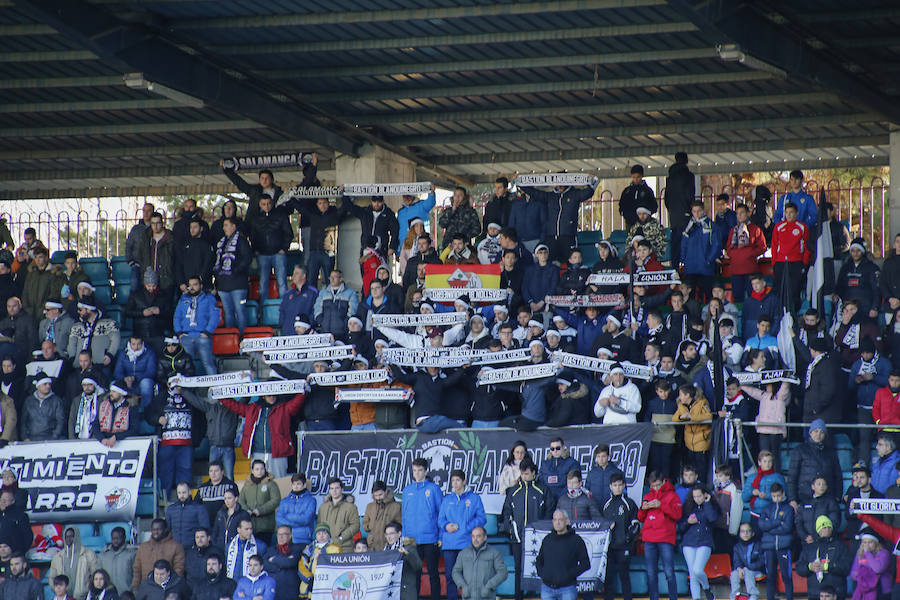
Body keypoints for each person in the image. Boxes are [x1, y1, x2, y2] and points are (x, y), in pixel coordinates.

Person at [219, 387, 304, 478]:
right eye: (269, 395)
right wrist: (218, 395)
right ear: (263, 396)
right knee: (257, 483)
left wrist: (303, 391)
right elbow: (234, 405)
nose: (272, 397)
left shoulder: (283, 408)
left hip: (278, 454)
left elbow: (296, 403)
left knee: (279, 483)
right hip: (257, 453)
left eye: (274, 395)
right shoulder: (252, 408)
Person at [500, 458, 553, 600]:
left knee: (541, 567)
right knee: (519, 568)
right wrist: (509, 527)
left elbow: (549, 511)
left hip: (538, 538)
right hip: (518, 537)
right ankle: (519, 596)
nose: (524, 476)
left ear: (534, 473)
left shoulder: (543, 489)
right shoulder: (513, 491)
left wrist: (544, 530)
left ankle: (542, 596)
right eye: (522, 474)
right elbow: (506, 512)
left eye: (527, 474)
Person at [437, 469, 486, 600]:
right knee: (450, 576)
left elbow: (482, 518)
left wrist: (466, 527)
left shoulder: (474, 498)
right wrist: (446, 526)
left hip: (466, 543)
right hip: (449, 544)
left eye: (457, 480)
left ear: (464, 481)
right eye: (453, 480)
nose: (455, 483)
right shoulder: (447, 499)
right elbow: (440, 520)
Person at [401, 457, 443, 600]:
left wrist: (440, 536)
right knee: (414, 575)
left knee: (433, 574)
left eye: (420, 470)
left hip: (430, 538)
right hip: (412, 540)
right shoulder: (407, 490)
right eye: (414, 470)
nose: (417, 473)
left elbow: (441, 514)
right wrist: (405, 537)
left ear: (426, 471)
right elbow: (404, 516)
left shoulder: (434, 489)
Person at [146, 383, 198, 498]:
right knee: (165, 473)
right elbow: (148, 414)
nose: (177, 387)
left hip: (186, 444)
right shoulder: (161, 397)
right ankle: (164, 500)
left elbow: (200, 415)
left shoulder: (190, 396)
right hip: (166, 444)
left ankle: (185, 502)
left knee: (185, 472)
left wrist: (196, 440)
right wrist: (157, 419)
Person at [638, 471, 683, 600]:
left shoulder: (673, 495)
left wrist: (661, 505)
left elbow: (678, 514)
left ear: (664, 482)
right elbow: (640, 518)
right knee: (651, 573)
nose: (656, 488)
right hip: (649, 539)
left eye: (658, 485)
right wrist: (643, 508)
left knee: (669, 572)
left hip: (665, 538)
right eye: (653, 486)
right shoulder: (647, 495)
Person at [535, 509, 590, 600]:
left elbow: (586, 563)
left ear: (567, 521)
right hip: (547, 589)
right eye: (555, 520)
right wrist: (543, 574)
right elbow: (539, 560)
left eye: (560, 519)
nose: (557, 523)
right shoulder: (547, 539)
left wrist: (569, 575)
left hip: (567, 589)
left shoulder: (576, 540)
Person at [600, 472, 638, 600]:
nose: (617, 487)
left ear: (624, 486)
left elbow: (636, 525)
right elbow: (600, 525)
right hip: (609, 547)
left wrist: (628, 538)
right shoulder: (605, 504)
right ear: (610, 486)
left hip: (624, 546)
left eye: (620, 485)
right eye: (615, 485)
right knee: (608, 576)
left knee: (624, 575)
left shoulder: (629, 503)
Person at [788, 419, 843, 507]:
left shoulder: (831, 452)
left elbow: (838, 476)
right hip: (804, 497)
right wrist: (792, 499)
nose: (818, 435)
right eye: (816, 431)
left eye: (821, 432)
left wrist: (837, 497)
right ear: (810, 433)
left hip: (827, 498)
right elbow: (792, 476)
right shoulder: (800, 450)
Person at [795, 516, 851, 600]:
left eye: (829, 527)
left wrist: (827, 566)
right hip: (815, 593)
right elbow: (799, 568)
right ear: (818, 530)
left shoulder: (840, 546)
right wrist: (810, 567)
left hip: (836, 592)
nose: (827, 530)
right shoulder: (810, 547)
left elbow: (846, 567)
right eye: (824, 527)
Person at [212, 216, 252, 333]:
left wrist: (236, 270)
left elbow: (247, 258)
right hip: (223, 285)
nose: (224, 228)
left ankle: (243, 339)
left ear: (233, 226)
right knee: (228, 312)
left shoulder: (242, 240)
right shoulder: (221, 242)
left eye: (226, 225)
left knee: (240, 310)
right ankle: (232, 338)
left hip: (239, 284)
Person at [173, 276, 218, 376]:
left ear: (201, 286)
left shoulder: (209, 298)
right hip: (186, 336)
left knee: (208, 363)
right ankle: (189, 390)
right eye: (190, 285)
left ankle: (215, 389)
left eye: (195, 284)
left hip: (202, 335)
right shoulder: (183, 298)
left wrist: (207, 332)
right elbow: (177, 316)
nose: (192, 287)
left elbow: (215, 316)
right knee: (187, 365)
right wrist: (179, 333)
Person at [758, 483, 794, 600]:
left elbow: (788, 527)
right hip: (769, 547)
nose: (776, 498)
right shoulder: (767, 508)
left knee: (786, 576)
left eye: (778, 496)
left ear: (783, 494)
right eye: (774, 496)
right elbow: (762, 525)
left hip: (783, 546)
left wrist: (770, 526)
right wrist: (779, 521)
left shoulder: (788, 509)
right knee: (770, 576)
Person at [451, 525, 508, 600]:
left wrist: (489, 586)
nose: (475, 539)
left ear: (485, 537)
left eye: (478, 536)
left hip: (486, 596)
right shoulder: (463, 553)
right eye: (473, 536)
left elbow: (503, 572)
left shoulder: (494, 553)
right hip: (468, 597)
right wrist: (463, 586)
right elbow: (455, 572)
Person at [772, 202, 810, 314]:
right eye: (787, 212)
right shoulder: (779, 227)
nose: (789, 215)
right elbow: (774, 246)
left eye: (791, 212)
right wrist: (774, 263)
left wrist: (804, 262)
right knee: (780, 290)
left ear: (797, 213)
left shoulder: (802, 228)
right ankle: (781, 315)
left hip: (796, 263)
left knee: (795, 291)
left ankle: (795, 314)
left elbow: (807, 247)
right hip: (781, 262)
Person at [679, 200, 721, 302]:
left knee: (707, 295)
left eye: (699, 211)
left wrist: (709, 259)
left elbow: (717, 244)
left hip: (705, 267)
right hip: (690, 267)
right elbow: (683, 244)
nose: (697, 214)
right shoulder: (688, 225)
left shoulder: (711, 225)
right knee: (690, 296)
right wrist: (683, 259)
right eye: (694, 211)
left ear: (703, 210)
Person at [125, 269, 173, 357]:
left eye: (154, 286)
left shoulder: (164, 295)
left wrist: (160, 312)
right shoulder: (135, 295)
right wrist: (142, 313)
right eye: (149, 286)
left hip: (158, 334)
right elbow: (127, 312)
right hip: (141, 333)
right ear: (144, 284)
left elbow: (170, 313)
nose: (151, 288)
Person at [67, 299, 120, 374]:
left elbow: (116, 340)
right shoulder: (76, 326)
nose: (78, 312)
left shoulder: (108, 323)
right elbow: (72, 343)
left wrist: (110, 355)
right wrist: (72, 358)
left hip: (101, 363)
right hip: (80, 365)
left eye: (80, 309)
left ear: (88, 310)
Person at [132, 520, 185, 591]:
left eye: (159, 529)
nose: (156, 532)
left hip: (167, 590)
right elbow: (137, 569)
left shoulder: (176, 546)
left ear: (165, 529)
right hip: (147, 590)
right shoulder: (143, 547)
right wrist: (135, 587)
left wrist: (172, 589)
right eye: (153, 529)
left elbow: (179, 570)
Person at [48, 526, 99, 599]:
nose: (68, 539)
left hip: (83, 597)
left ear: (76, 536)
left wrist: (86, 591)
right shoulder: (58, 557)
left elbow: (96, 575)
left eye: (71, 536)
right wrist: (59, 592)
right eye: (66, 536)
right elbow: (52, 578)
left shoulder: (88, 554)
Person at [835, 237, 881, 318]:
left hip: (866, 309)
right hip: (848, 309)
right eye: (853, 251)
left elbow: (876, 290)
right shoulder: (845, 268)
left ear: (863, 252)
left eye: (858, 251)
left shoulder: (872, 268)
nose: (855, 253)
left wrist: (875, 307)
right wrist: (837, 295)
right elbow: (840, 286)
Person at [239, 460, 282, 543]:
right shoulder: (247, 485)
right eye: (257, 469)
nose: (260, 471)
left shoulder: (271, 484)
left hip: (266, 526)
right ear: (252, 470)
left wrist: (260, 510)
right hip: (249, 526)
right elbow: (241, 500)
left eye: (262, 469)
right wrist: (246, 510)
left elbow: (276, 500)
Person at [136, 212, 177, 295]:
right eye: (153, 223)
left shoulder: (171, 239)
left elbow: (176, 259)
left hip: (166, 281)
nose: (155, 226)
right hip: (149, 282)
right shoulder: (146, 239)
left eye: (158, 223)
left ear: (162, 223)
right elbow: (140, 256)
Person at [113, 334, 157, 410]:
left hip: (141, 379)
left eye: (139, 344)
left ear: (142, 343)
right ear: (129, 344)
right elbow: (117, 372)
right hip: (126, 380)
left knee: (146, 383)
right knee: (113, 385)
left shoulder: (149, 353)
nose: (136, 347)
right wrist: (125, 379)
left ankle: (145, 411)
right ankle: (116, 411)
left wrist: (134, 378)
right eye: (133, 344)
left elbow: (151, 372)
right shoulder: (123, 354)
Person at [297, 524, 341, 600]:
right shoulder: (309, 548)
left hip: (327, 585)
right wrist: (309, 579)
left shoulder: (336, 548)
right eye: (319, 533)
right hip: (310, 585)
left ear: (329, 535)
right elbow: (302, 565)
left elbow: (338, 567)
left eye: (324, 533)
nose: (321, 535)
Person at [316, 478, 358, 553]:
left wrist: (342, 537)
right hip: (325, 547)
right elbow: (319, 525)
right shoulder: (323, 507)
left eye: (337, 488)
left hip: (344, 547)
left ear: (342, 489)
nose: (334, 491)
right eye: (332, 488)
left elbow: (355, 525)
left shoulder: (350, 507)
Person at [313, 269, 358, 340]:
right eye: (330, 277)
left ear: (341, 279)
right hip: (325, 332)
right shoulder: (323, 292)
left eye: (335, 277)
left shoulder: (350, 293)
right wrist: (321, 321)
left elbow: (353, 310)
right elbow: (317, 307)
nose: (332, 279)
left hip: (342, 333)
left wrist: (345, 324)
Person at [20, 372, 65, 441]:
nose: (48, 386)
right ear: (38, 386)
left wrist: (54, 437)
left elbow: (60, 421)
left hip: (50, 438)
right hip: (31, 439)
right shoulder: (29, 401)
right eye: (45, 384)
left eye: (49, 384)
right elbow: (23, 421)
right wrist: (25, 437)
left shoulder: (56, 400)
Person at [175, 217, 215, 295]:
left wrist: (199, 281)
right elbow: (179, 264)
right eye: (191, 227)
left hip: (203, 286)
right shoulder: (184, 245)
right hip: (187, 286)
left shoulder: (207, 246)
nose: (192, 230)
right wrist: (181, 282)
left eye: (195, 227)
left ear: (201, 228)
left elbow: (208, 265)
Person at [276, 473, 316, 548]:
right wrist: (296, 524)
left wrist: (288, 517)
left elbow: (306, 519)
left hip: (303, 538)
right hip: (285, 539)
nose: (296, 486)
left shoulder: (311, 500)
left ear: (304, 485)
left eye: (298, 484)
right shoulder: (285, 501)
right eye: (294, 484)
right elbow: (278, 520)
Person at [261, 526, 301, 600]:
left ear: (290, 535)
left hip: (291, 592)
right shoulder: (270, 550)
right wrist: (280, 565)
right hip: (274, 591)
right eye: (279, 534)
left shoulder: (296, 549)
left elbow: (290, 562)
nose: (281, 537)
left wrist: (274, 560)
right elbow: (264, 564)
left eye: (284, 534)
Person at [166, 482, 210, 550]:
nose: (181, 495)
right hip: (175, 548)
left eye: (184, 492)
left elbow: (205, 528)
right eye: (179, 493)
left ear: (189, 492)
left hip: (193, 548)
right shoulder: (170, 509)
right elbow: (167, 530)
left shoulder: (199, 508)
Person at [384, 522, 422, 600]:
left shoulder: (408, 548)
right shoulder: (385, 550)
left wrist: (407, 554)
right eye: (387, 534)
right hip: (390, 591)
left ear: (399, 533)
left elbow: (418, 566)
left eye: (391, 533)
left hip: (405, 590)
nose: (389, 537)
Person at [362, 480, 401, 551]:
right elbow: (365, 525)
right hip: (372, 545)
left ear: (386, 492)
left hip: (388, 544)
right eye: (375, 495)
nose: (378, 498)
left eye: (380, 495)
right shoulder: (370, 506)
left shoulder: (396, 506)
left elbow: (399, 526)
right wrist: (371, 525)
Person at [278, 266, 317, 335]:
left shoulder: (312, 293)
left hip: (304, 335)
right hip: (288, 333)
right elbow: (282, 311)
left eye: (296, 273)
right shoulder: (287, 294)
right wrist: (283, 325)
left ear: (303, 276)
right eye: (293, 274)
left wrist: (307, 326)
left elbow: (315, 311)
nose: (293, 276)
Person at [729, 522, 763, 600]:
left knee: (748, 571)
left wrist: (748, 568)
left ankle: (753, 595)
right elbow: (736, 561)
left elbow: (762, 561)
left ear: (753, 533)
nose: (745, 533)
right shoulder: (737, 547)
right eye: (743, 531)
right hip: (743, 571)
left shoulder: (758, 545)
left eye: (748, 531)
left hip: (757, 571)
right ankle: (735, 595)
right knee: (734, 573)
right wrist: (739, 569)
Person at [99, 526, 137, 596]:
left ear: (124, 538)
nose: (115, 541)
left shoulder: (131, 554)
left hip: (126, 595)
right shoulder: (104, 555)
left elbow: (136, 574)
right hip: (108, 594)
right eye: (113, 538)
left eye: (118, 538)